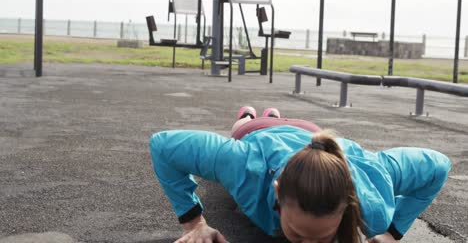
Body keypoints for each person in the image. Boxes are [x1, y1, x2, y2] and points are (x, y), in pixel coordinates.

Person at [149, 106, 451, 243]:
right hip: (257, 135)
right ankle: (249, 113)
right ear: (278, 192)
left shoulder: (370, 180)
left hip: (312, 133)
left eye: (321, 239)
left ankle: (273, 113)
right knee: (241, 127)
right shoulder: (243, 165)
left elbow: (439, 165)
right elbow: (163, 145)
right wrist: (194, 224)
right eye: (299, 234)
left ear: (348, 202)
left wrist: (392, 233)